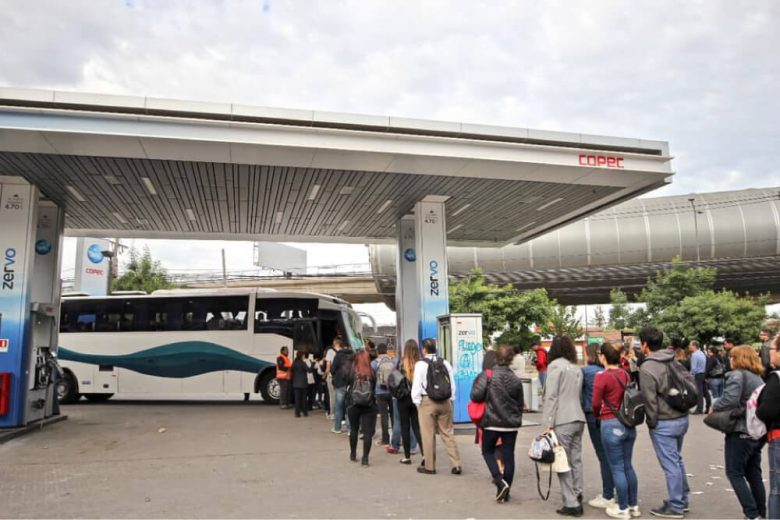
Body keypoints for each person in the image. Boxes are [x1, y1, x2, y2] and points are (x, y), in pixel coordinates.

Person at [638, 326, 691, 519]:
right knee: (676, 459)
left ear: (644, 344)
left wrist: (651, 423)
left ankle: (676, 506)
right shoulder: (672, 359)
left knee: (670, 463)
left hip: (664, 422)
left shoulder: (647, 367)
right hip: (682, 417)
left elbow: (649, 401)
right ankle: (682, 499)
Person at [710, 345, 766, 520]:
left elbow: (730, 399)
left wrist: (715, 405)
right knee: (753, 472)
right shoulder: (758, 378)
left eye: (732, 357)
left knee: (734, 472)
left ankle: (751, 514)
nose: (729, 360)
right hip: (756, 430)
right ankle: (760, 512)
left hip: (740, 428)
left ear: (738, 359)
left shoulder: (737, 375)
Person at [470, 344, 524, 503]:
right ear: (510, 359)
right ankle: (506, 491)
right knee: (509, 456)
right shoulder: (515, 379)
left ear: (496, 358)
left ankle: (499, 481)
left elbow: (475, 396)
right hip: (511, 424)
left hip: (491, 422)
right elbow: (520, 403)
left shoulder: (487, 375)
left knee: (487, 451)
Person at [593, 343, 640, 520]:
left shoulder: (602, 377)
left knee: (617, 467)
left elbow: (596, 403)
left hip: (610, 424)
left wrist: (598, 416)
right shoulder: (625, 374)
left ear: (603, 357)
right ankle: (633, 505)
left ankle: (622, 508)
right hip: (628, 423)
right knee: (628, 465)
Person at [541, 335, 585, 517]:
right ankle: (577, 492)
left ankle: (571, 503)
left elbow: (551, 397)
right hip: (578, 418)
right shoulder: (576, 368)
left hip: (562, 419)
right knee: (576, 459)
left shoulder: (554, 367)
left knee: (562, 462)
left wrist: (547, 424)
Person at [412, 338, 462, 475]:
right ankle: (456, 464)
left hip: (427, 401)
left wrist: (417, 403)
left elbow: (416, 386)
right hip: (445, 402)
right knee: (447, 433)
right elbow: (452, 384)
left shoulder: (420, 365)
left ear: (424, 349)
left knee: (428, 435)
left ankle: (430, 466)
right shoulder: (445, 363)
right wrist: (451, 400)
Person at [581, 343, 615, 510]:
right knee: (615, 456)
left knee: (602, 455)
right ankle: (616, 492)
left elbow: (583, 395)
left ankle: (608, 493)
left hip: (594, 416)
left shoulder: (586, 372)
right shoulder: (609, 371)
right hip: (613, 416)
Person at [757, 335, 780, 520]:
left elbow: (766, 411)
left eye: (771, 350)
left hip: (778, 436)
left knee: (777, 490)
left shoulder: (776, 378)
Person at [346, 349, 377, 466]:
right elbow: (374, 387)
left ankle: (353, 453)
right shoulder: (372, 372)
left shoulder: (352, 371)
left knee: (354, 429)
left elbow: (347, 384)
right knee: (368, 432)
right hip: (369, 405)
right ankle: (365, 459)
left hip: (353, 404)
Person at [396, 339, 424, 464]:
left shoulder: (401, 363)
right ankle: (425, 455)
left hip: (403, 398)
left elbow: (394, 380)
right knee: (417, 427)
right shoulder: (421, 363)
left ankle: (407, 457)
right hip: (417, 398)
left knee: (405, 427)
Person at [371, 343, 396, 446]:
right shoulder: (394, 361)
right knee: (394, 415)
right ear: (386, 351)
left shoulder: (374, 363)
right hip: (393, 392)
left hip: (380, 391)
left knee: (384, 416)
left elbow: (372, 378)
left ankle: (385, 439)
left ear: (377, 351)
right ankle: (396, 438)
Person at [330, 340, 355, 434]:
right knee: (349, 406)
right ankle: (350, 429)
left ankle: (337, 428)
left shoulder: (338, 355)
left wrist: (336, 374)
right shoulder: (353, 355)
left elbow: (332, 369)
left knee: (339, 407)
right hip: (351, 384)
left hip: (339, 384)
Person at [689, 340, 710, 414]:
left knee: (699, 392)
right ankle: (708, 407)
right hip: (703, 373)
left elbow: (693, 368)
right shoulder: (702, 353)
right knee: (705, 391)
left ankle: (699, 409)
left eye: (690, 345)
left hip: (697, 375)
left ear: (694, 346)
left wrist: (690, 375)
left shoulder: (694, 355)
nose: (689, 346)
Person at [324, 339, 342, 419]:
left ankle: (332, 414)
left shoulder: (330, 351)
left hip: (332, 376)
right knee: (340, 395)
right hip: (341, 376)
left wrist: (326, 374)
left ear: (335, 343)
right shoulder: (343, 351)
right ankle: (341, 414)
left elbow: (328, 365)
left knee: (332, 396)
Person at [290, 351, 309, 418]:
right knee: (304, 399)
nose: (304, 356)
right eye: (303, 355)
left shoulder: (294, 363)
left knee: (297, 399)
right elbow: (309, 370)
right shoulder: (303, 363)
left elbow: (291, 370)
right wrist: (312, 364)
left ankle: (297, 413)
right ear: (301, 356)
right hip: (303, 383)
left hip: (295, 383)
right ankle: (304, 412)